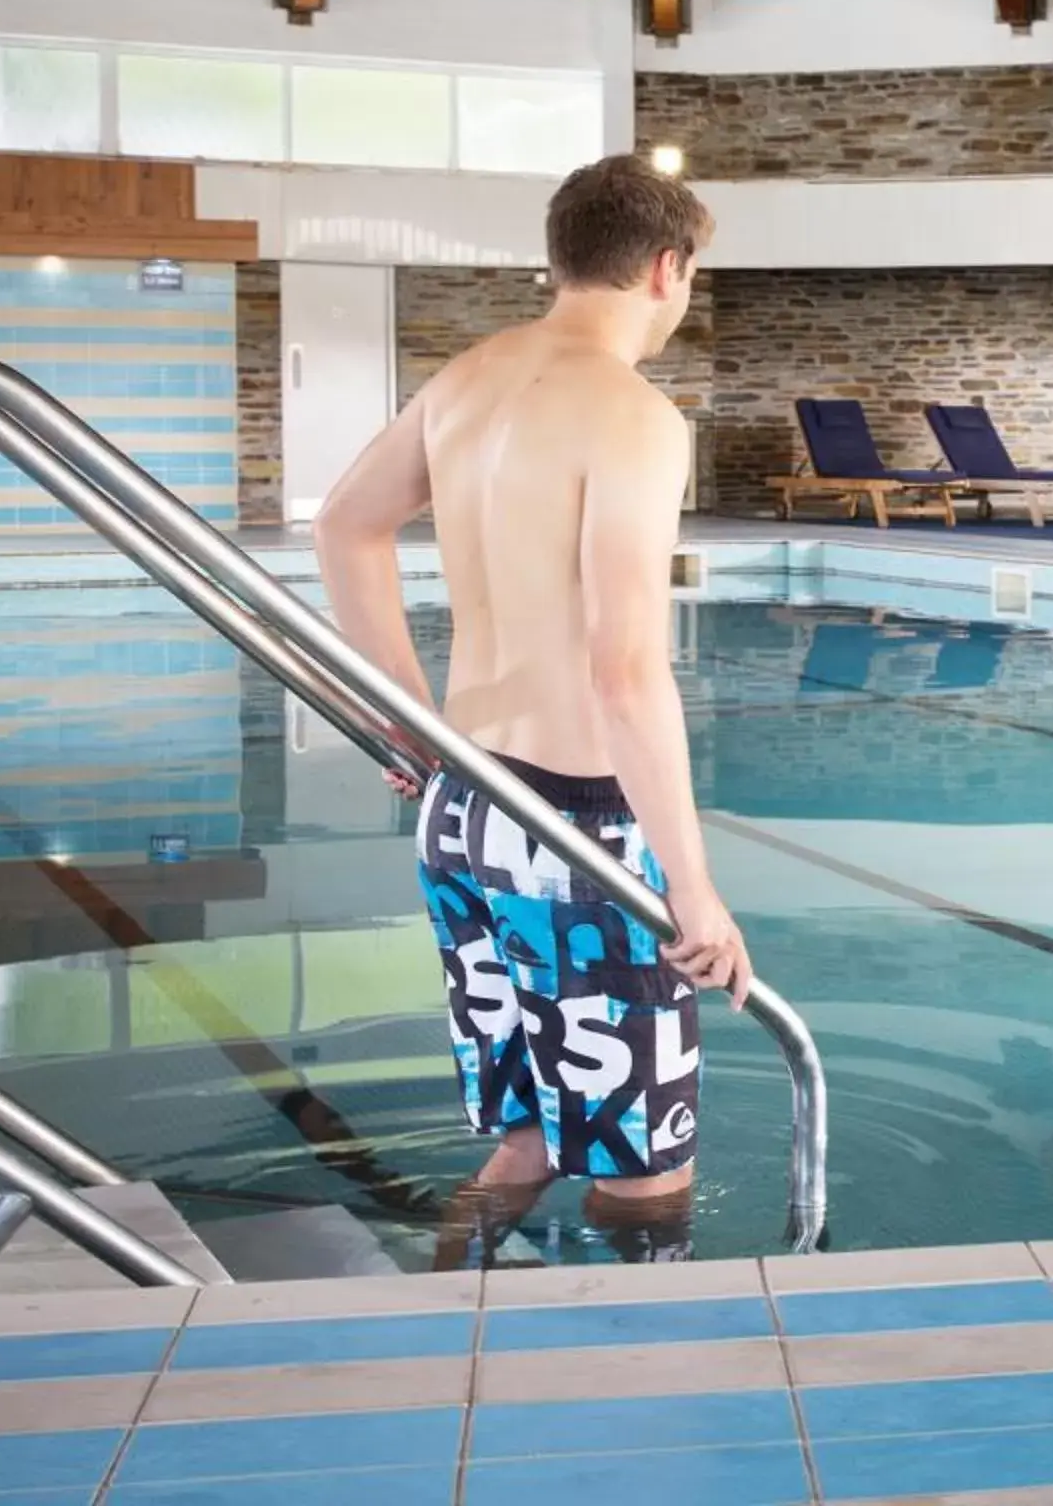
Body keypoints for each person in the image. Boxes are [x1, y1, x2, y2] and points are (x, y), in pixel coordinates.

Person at [312, 153, 748, 1265]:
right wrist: (692, 887)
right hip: (577, 830)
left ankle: (448, 1309)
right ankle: (638, 1394)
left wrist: (408, 718)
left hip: (464, 803)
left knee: (529, 1128)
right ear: (667, 268)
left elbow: (344, 526)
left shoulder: (467, 378)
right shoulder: (636, 417)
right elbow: (625, 671)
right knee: (647, 1163)